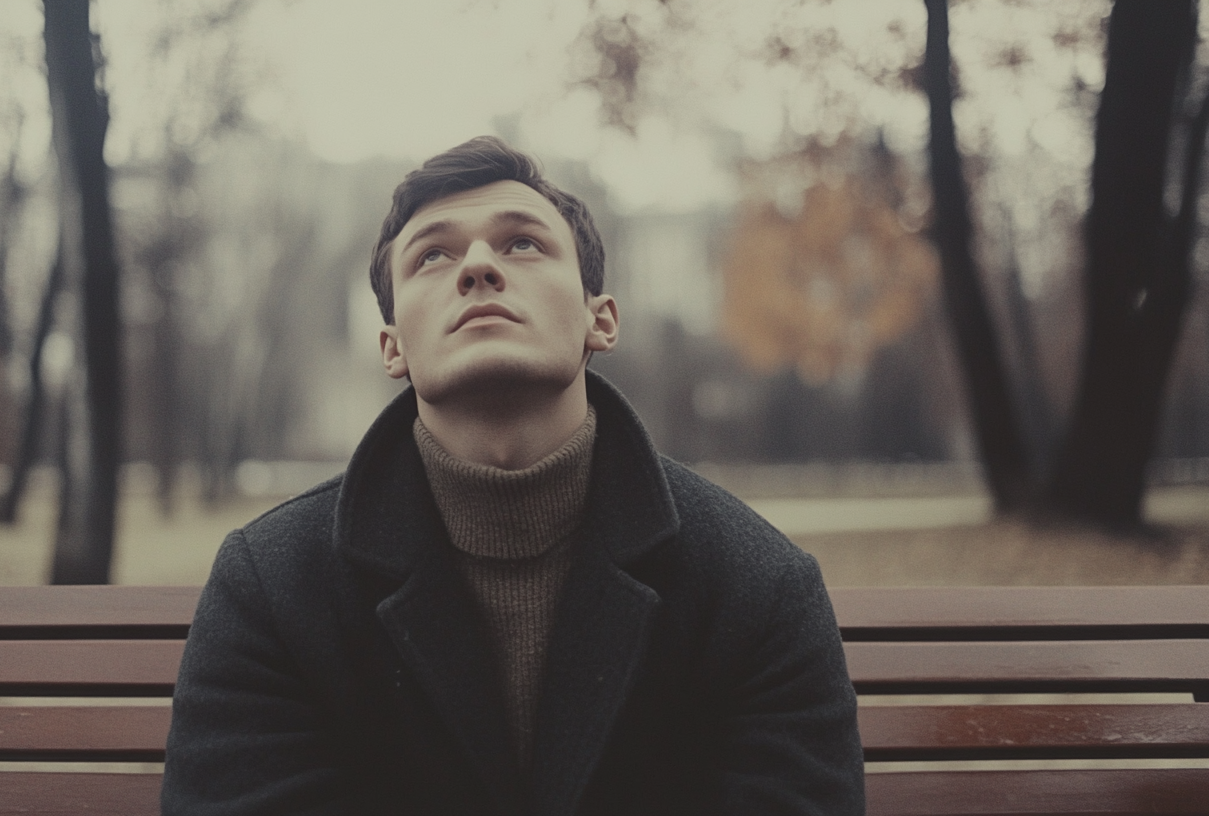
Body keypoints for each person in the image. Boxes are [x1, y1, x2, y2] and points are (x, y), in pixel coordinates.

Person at [162, 136, 864, 815]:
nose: (476, 266)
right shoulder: (273, 591)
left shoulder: (755, 587)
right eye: (432, 255)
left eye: (522, 242)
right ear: (392, 346)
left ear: (602, 319)